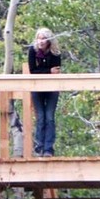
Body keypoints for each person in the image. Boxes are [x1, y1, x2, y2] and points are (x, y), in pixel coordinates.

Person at [27, 27, 63, 156]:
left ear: (49, 40)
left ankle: (48, 148)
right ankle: (39, 146)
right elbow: (32, 71)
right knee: (40, 117)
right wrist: (48, 71)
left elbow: (56, 70)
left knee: (49, 117)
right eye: (39, 38)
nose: (40, 41)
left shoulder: (55, 53)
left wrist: (47, 71)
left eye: (43, 39)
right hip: (37, 87)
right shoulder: (32, 51)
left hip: (52, 88)